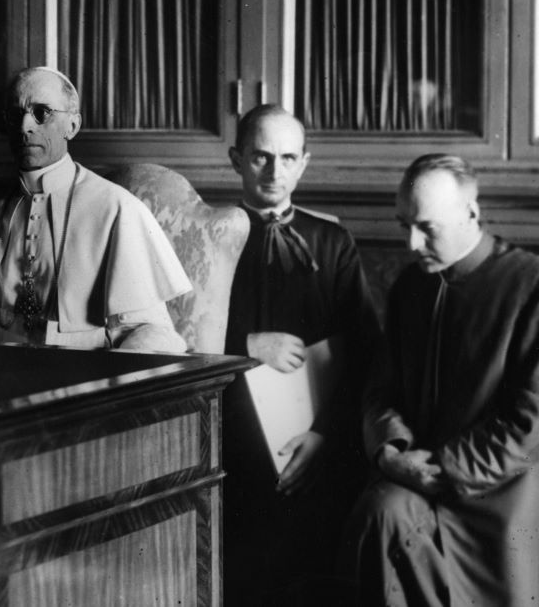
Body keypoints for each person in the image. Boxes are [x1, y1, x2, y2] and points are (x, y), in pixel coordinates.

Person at [346, 154, 539, 606]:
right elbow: (380, 392)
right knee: (379, 511)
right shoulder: (409, 289)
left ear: (471, 213)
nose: (412, 243)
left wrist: (443, 470)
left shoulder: (530, 286)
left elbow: (528, 424)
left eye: (428, 228)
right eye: (403, 225)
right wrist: (390, 452)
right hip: (414, 477)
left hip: (501, 490)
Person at [0, 66, 191, 350]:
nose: (24, 126)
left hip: (83, 386)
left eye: (41, 113)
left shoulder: (117, 209)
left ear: (72, 125)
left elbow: (151, 332)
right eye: (15, 114)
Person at [222, 104, 381, 604]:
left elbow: (365, 352)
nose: (275, 172)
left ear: (304, 163)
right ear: (236, 159)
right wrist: (244, 346)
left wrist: (325, 436)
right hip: (233, 439)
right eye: (261, 157)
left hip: (318, 438)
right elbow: (170, 338)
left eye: (288, 158)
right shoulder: (205, 236)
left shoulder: (331, 242)